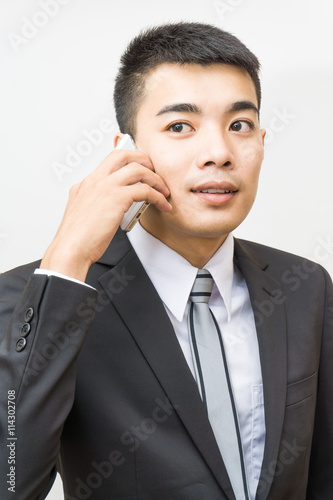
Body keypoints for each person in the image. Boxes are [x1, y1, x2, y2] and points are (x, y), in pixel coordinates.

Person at [0, 22, 332, 500]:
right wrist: (68, 256)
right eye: (180, 127)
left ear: (261, 141)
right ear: (128, 154)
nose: (218, 153)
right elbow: (12, 483)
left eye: (239, 125)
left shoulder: (306, 287)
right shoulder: (41, 295)